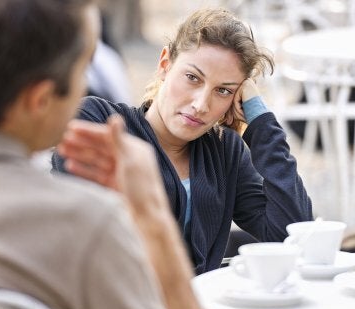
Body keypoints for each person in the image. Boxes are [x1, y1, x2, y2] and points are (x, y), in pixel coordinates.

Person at [52, 7, 314, 275]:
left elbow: (293, 236)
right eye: (192, 78)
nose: (201, 104)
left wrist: (260, 124)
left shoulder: (225, 151)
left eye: (223, 90)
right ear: (165, 64)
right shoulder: (98, 120)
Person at [0, 0, 201, 309]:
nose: (87, 85)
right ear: (41, 99)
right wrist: (152, 215)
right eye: (84, 66)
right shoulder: (89, 224)